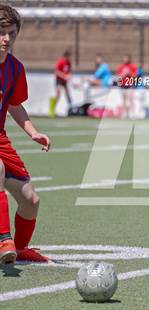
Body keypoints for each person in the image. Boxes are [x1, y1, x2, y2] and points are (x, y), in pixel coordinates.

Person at [0, 4, 51, 264]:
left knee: (31, 200)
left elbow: (14, 104)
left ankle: (18, 248)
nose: (6, 39)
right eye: (1, 32)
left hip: (0, 140)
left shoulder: (15, 69)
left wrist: (33, 132)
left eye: (11, 33)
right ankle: (3, 239)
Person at [49, 49, 73, 118]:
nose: (69, 58)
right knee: (58, 94)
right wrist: (64, 76)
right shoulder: (61, 61)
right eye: (68, 56)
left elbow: (69, 71)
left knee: (68, 94)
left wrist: (69, 76)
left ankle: (71, 109)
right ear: (66, 56)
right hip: (59, 81)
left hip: (64, 81)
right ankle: (52, 110)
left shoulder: (68, 62)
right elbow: (56, 71)